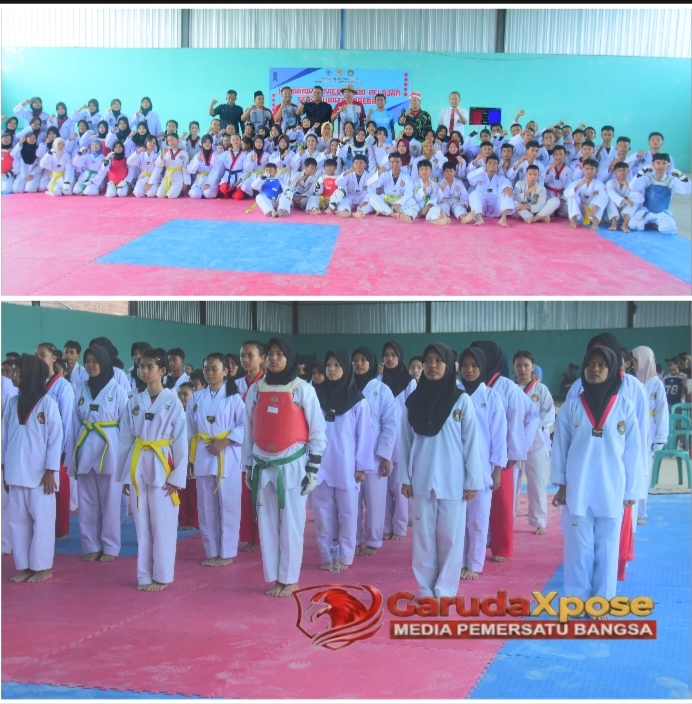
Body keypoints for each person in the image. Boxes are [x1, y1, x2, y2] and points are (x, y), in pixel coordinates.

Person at [551, 346, 639, 608]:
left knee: (608, 547)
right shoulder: (572, 406)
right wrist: (561, 483)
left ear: (612, 370)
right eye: (590, 364)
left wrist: (631, 490)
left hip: (612, 486)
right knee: (577, 548)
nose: (595, 369)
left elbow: (633, 451)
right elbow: (560, 446)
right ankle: (577, 600)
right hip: (578, 486)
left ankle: (603, 601)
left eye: (601, 365)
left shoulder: (624, 407)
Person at [242, 338, 326, 597]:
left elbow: (318, 431)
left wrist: (313, 469)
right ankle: (275, 577)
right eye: (271, 354)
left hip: (291, 465)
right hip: (262, 463)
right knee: (267, 524)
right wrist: (248, 466)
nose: (274, 358)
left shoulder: (302, 389)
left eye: (280, 354)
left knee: (292, 524)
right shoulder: (256, 390)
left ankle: (290, 579)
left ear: (289, 358)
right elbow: (248, 430)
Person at [399, 343, 483, 597]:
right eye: (428, 360)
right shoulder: (413, 402)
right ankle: (425, 588)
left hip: (453, 479)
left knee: (450, 538)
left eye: (438, 360)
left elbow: (471, 444)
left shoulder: (461, 400)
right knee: (423, 538)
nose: (432, 365)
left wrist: (472, 482)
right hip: (421, 478)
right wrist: (405, 478)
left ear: (449, 366)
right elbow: (404, 443)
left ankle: (445, 590)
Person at [116, 348, 188, 591]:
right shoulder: (134, 401)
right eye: (141, 367)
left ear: (163, 370)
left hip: (162, 464)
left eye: (150, 367)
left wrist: (177, 477)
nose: (144, 371)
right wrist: (124, 475)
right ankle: (144, 575)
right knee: (142, 525)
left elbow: (180, 440)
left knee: (163, 524)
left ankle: (162, 575)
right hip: (138, 463)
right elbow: (125, 439)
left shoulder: (173, 401)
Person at [2, 356, 63, 583]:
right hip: (15, 472)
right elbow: (4, 437)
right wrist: (4, 466)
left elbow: (56, 440)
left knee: (42, 522)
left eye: (16, 372)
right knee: (18, 522)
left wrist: (50, 470)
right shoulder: (12, 403)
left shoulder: (48, 404)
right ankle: (26, 566)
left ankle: (42, 567)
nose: (12, 376)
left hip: (40, 476)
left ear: (29, 375)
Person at [312, 350, 373, 570]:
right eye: (329, 365)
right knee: (323, 514)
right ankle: (328, 557)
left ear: (345, 368)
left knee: (348, 514)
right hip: (321, 464)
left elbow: (363, 435)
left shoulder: (358, 401)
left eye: (337, 365)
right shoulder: (317, 397)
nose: (332, 369)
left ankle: (345, 557)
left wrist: (361, 466)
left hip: (347, 465)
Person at [70, 345, 128, 562]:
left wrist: (125, 457)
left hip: (110, 446)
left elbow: (126, 427)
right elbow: (74, 424)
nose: (90, 365)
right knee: (86, 502)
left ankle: (110, 547)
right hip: (85, 445)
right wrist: (72, 455)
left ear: (104, 363)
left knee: (110, 501)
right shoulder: (81, 390)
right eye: (87, 362)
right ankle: (91, 545)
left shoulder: (118, 391)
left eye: (95, 361)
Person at [187, 354, 245, 568]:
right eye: (206, 369)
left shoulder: (234, 398)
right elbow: (189, 429)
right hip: (203, 454)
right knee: (206, 507)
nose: (209, 373)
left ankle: (227, 551)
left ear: (225, 372)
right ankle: (211, 550)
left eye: (214, 369)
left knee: (229, 506)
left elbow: (244, 426)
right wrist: (190, 458)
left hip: (227, 456)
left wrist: (225, 441)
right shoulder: (196, 398)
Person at [470, 341, 526, 562]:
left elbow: (515, 421)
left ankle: (502, 547)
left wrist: (513, 453)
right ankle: (480, 541)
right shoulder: (467, 384)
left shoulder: (507, 386)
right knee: (474, 501)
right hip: (474, 452)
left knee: (501, 503)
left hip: (502, 454)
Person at [458, 348, 507, 579]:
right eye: (465, 365)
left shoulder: (491, 398)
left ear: (482, 368)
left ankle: (475, 564)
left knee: (478, 519)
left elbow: (499, 437)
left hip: (482, 467)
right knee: (457, 520)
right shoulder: (453, 394)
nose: (469, 370)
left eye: (474, 366)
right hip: (455, 466)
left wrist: (497, 469)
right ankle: (458, 561)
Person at [351, 347, 397, 557]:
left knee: (375, 501)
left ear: (371, 363)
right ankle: (353, 540)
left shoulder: (382, 390)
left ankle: (373, 540)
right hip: (350, 454)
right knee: (351, 502)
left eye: (363, 360)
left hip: (375, 456)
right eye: (355, 360)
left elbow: (390, 425)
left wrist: (386, 456)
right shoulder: (347, 387)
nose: (359, 364)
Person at [35, 343, 75, 541]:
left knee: (59, 488)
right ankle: (42, 527)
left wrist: (63, 449)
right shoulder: (35, 383)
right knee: (41, 490)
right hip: (38, 445)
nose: (39, 358)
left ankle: (60, 529)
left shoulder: (63, 386)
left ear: (53, 358)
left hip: (58, 446)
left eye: (42, 355)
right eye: (36, 355)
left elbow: (67, 420)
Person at [513, 350, 555, 535]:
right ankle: (508, 519)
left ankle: (539, 521)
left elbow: (549, 413)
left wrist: (530, 425)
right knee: (512, 484)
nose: (522, 369)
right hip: (513, 441)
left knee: (537, 482)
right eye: (518, 365)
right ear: (514, 367)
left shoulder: (540, 389)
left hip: (536, 442)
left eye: (526, 365)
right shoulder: (510, 388)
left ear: (533, 367)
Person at [381, 341, 417, 540]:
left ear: (400, 357)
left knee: (399, 485)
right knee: (383, 488)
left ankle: (400, 526)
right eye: (386, 355)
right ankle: (385, 526)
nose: (389, 358)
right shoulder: (378, 382)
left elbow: (412, 412)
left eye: (393, 355)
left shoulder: (409, 383)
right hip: (382, 440)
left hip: (401, 439)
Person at [632, 346, 668, 523]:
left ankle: (639, 512)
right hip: (632, 425)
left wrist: (661, 437)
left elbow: (662, 411)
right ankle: (629, 509)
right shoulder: (630, 381)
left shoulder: (656, 384)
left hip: (648, 428)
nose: (633, 364)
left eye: (636, 360)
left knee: (643, 468)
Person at [628, 156, 691, 235]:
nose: (661, 166)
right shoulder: (648, 179)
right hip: (646, 211)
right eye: (658, 163)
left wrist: (682, 177)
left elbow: (688, 191)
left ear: (668, 166)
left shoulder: (671, 180)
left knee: (670, 229)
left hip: (662, 213)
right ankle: (650, 223)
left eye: (664, 163)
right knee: (632, 225)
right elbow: (632, 187)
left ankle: (656, 224)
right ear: (653, 165)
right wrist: (641, 172)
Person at [464, 155, 515, 227]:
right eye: (490, 163)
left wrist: (507, 187)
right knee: (474, 193)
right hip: (482, 207)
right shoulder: (480, 176)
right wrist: (483, 169)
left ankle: (503, 219)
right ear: (486, 165)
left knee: (507, 193)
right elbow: (469, 177)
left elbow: (507, 183)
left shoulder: (501, 178)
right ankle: (479, 218)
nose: (492, 165)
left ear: (497, 166)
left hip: (496, 207)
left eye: (494, 163)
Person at [176, 381, 199, 530]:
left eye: (186, 394)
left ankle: (195, 520)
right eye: (180, 394)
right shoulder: (174, 411)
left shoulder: (197, 411)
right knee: (180, 490)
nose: (182, 397)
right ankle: (183, 519)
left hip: (194, 452)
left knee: (193, 490)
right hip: (178, 454)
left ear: (193, 395)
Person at [365, 152, 414, 218]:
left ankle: (385, 210)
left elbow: (409, 193)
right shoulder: (385, 175)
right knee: (372, 198)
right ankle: (392, 213)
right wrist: (379, 173)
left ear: (401, 163)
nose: (395, 164)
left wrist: (399, 203)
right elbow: (371, 184)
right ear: (389, 164)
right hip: (387, 200)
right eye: (392, 162)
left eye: (397, 162)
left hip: (399, 201)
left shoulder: (406, 177)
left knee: (412, 202)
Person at [566, 158, 608, 232]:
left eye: (592, 169)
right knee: (572, 196)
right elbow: (567, 194)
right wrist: (579, 185)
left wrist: (594, 208)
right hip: (579, 212)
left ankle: (595, 224)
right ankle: (573, 221)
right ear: (583, 170)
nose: (589, 171)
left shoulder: (599, 184)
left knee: (603, 197)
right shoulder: (577, 182)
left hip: (593, 212)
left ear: (596, 171)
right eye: (587, 169)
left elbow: (603, 197)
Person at [605, 162, 643, 232]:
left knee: (635, 201)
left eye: (624, 170)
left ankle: (624, 224)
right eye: (619, 170)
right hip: (611, 215)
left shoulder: (631, 184)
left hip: (625, 215)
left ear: (628, 171)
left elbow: (640, 199)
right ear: (614, 172)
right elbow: (610, 193)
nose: (622, 173)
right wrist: (624, 200)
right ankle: (613, 223)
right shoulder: (611, 183)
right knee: (610, 198)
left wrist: (628, 187)